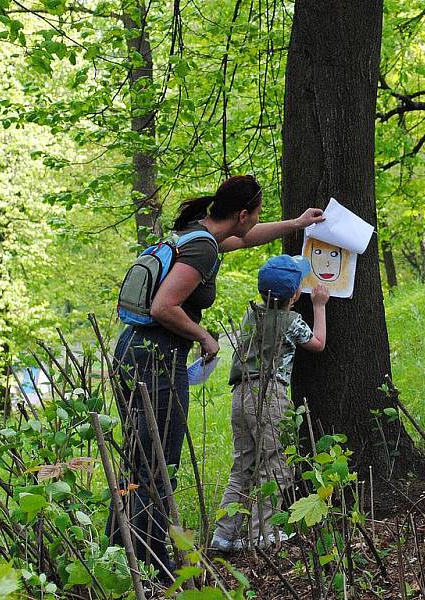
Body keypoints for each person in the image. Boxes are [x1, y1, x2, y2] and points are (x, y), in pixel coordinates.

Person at [109, 175, 324, 580]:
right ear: (242, 213)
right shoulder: (204, 248)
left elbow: (246, 239)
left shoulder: (197, 234)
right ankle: (154, 565)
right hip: (155, 360)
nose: (256, 220)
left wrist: (296, 224)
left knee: (138, 460)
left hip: (131, 352)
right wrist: (206, 337)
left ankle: (123, 557)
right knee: (157, 462)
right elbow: (163, 306)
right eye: (256, 213)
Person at [211, 255, 329, 552]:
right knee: (274, 463)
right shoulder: (291, 321)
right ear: (295, 295)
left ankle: (224, 534)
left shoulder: (251, 315)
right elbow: (318, 343)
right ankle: (262, 534)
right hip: (269, 395)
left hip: (240, 394)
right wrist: (319, 306)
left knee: (244, 464)